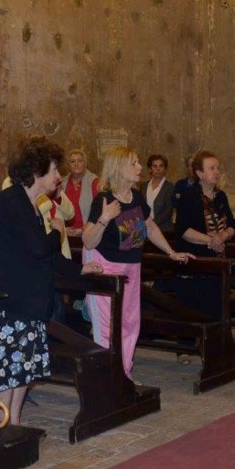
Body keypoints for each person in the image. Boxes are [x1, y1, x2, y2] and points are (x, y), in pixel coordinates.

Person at [0, 138, 103, 426]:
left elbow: (47, 256)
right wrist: (57, 231)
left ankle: (14, 423)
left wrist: (79, 269)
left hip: (28, 302)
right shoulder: (12, 201)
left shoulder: (31, 203)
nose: (58, 176)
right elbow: (38, 247)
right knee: (9, 369)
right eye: (54, 170)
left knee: (24, 368)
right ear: (37, 171)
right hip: (11, 302)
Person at [82, 146, 193, 378]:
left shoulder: (137, 197)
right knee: (107, 325)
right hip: (105, 268)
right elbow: (88, 241)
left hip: (131, 268)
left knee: (130, 323)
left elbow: (149, 227)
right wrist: (105, 217)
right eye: (134, 163)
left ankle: (124, 374)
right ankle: (107, 377)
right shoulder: (104, 199)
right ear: (118, 168)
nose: (140, 167)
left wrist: (170, 252)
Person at [174, 150, 235, 318]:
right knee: (198, 308)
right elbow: (183, 230)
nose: (217, 172)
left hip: (219, 259)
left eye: (217, 168)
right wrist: (211, 241)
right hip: (197, 260)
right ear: (200, 173)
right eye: (211, 168)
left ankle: (218, 329)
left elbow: (232, 225)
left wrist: (223, 236)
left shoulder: (221, 196)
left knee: (218, 306)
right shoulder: (189, 196)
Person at [63, 148, 100, 236]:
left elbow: (99, 211)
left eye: (80, 161)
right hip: (66, 232)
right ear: (68, 165)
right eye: (72, 161)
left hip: (88, 233)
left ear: (85, 163)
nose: (76, 164)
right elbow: (56, 209)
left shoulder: (94, 182)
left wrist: (82, 230)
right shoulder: (62, 183)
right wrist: (63, 229)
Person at [144, 154, 174, 233]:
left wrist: (150, 225)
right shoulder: (144, 186)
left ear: (165, 169)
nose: (158, 169)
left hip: (164, 231)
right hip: (145, 229)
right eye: (155, 166)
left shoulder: (170, 187)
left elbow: (168, 211)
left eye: (161, 166)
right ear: (150, 169)